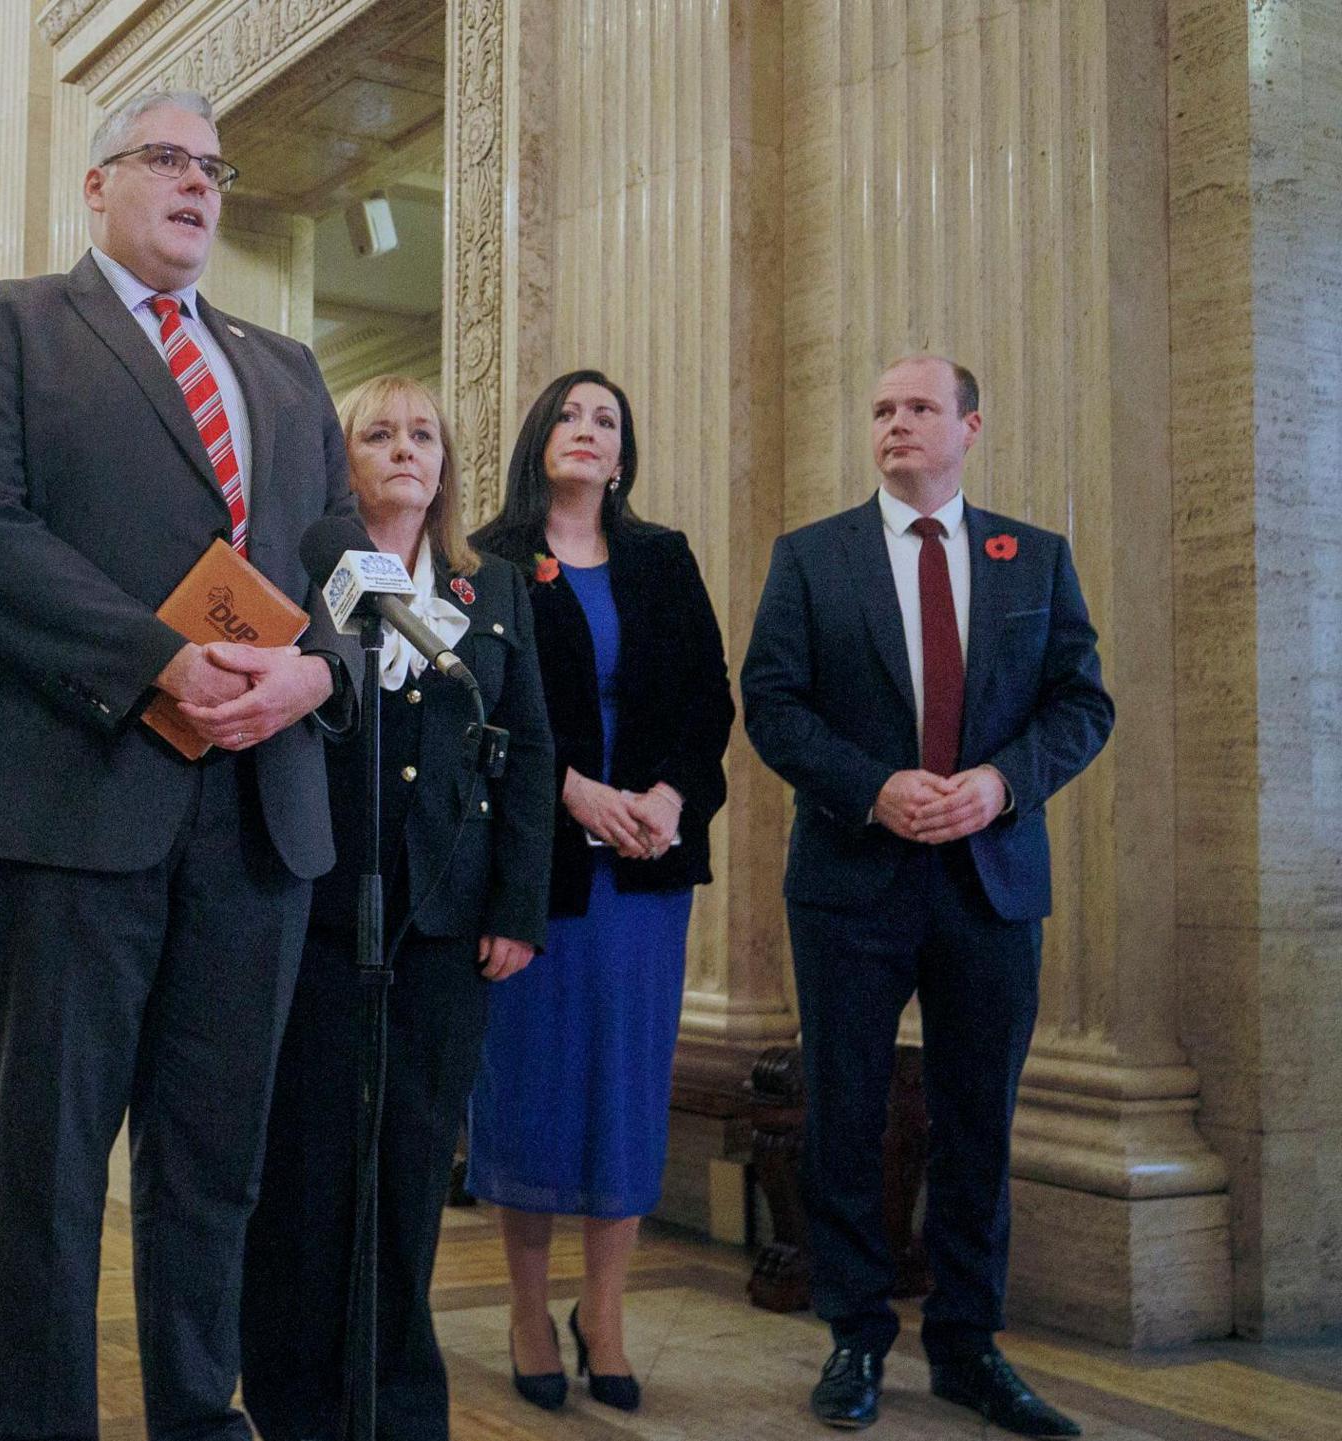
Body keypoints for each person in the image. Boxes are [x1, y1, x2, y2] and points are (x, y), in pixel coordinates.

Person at [0, 89, 359, 1441]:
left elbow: (351, 562)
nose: (200, 184)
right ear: (100, 184)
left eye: (215, 167)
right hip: (74, 799)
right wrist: (159, 660)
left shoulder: (284, 365)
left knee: (214, 1163)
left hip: (257, 815)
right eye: (168, 160)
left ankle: (197, 1414)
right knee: (52, 1168)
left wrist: (317, 670)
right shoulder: (7, 325)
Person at [742, 355, 1112, 1437]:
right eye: (880, 411)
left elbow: (1080, 703)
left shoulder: (1031, 557)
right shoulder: (812, 557)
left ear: (970, 427)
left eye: (917, 407)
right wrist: (871, 788)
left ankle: (967, 1344)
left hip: (989, 882)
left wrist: (1000, 783)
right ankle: (854, 1334)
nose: (895, 424)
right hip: (851, 879)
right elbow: (770, 703)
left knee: (975, 1122)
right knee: (845, 1115)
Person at [237, 374, 554, 1441]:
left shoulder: (491, 589)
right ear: (341, 459)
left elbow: (529, 751)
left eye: (423, 434)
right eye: (378, 433)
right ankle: (295, 1402)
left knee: (413, 1168)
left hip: (443, 927)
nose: (405, 449)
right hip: (319, 915)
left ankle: (400, 1407)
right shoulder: (296, 579)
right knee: (308, 1170)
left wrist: (515, 905)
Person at [468, 369, 734, 1414]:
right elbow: (472, 711)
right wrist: (570, 789)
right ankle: (530, 1309)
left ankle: (606, 1314)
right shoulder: (487, 561)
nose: (587, 431)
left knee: (624, 1090)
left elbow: (708, 698)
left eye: (607, 420)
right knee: (531, 1087)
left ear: (623, 456)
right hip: (540, 864)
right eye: (570, 415)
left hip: (644, 865)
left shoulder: (661, 559)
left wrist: (667, 794)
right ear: (540, 440)